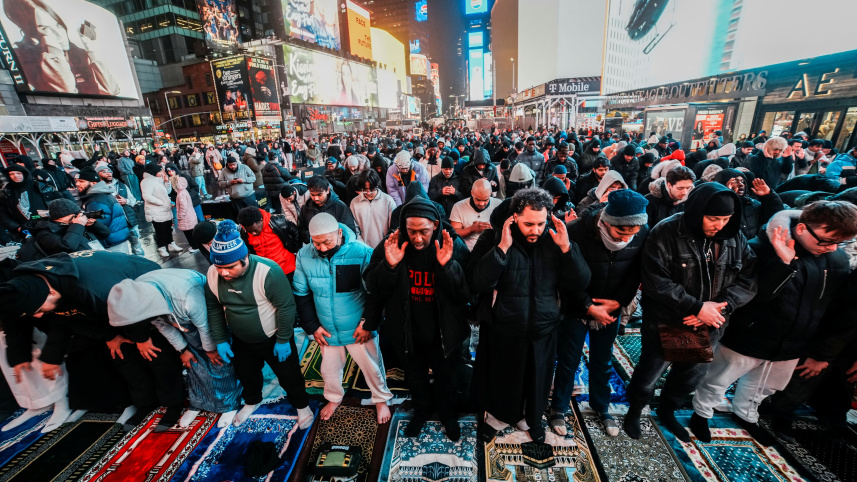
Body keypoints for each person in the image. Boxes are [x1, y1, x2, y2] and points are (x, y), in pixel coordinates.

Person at [690, 202, 857, 444]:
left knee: (766, 385)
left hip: (795, 340)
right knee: (719, 377)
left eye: (838, 243)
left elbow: (833, 308)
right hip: (750, 334)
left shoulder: (836, 258)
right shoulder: (762, 248)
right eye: (824, 241)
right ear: (801, 229)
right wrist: (783, 264)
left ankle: (746, 414)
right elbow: (752, 295)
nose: (831, 248)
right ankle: (702, 412)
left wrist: (821, 350)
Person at [624, 183, 758, 443]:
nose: (719, 225)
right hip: (669, 320)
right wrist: (696, 307)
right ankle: (635, 411)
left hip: (710, 323)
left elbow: (748, 280)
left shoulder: (734, 237)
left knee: (689, 375)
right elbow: (656, 281)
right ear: (697, 211)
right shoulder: (667, 231)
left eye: (726, 219)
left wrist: (719, 307)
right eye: (713, 218)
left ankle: (667, 410)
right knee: (649, 375)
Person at [469, 188, 590, 443]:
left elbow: (580, 282)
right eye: (528, 224)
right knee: (503, 376)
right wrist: (502, 249)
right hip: (503, 325)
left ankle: (531, 419)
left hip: (543, 327)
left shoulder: (556, 241)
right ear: (514, 218)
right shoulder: (493, 238)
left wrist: (567, 248)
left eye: (540, 223)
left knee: (537, 380)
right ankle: (499, 417)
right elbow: (477, 281)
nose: (535, 230)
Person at [363, 195, 471, 440]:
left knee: (447, 379)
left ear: (435, 224)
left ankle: (447, 415)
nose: (418, 238)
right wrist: (389, 266)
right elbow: (373, 287)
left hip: (445, 332)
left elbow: (466, 292)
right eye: (411, 231)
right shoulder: (391, 243)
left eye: (423, 231)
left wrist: (447, 266)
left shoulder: (451, 242)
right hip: (407, 331)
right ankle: (421, 412)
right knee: (416, 378)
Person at [551, 190, 649, 436]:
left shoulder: (642, 234)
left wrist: (617, 303)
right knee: (568, 360)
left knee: (602, 360)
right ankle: (559, 408)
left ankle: (601, 405)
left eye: (632, 233)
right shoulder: (576, 231)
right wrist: (588, 306)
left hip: (610, 309)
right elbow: (565, 275)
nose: (627, 237)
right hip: (577, 307)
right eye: (621, 232)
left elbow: (635, 274)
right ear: (606, 222)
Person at [204, 220, 314, 428]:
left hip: (273, 336)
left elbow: (287, 307)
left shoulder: (268, 271)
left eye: (229, 267)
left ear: (244, 258)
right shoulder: (212, 274)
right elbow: (214, 309)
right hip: (240, 338)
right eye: (219, 267)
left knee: (288, 374)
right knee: (246, 373)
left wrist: (282, 340)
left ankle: (302, 405)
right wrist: (220, 339)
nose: (224, 273)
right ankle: (252, 401)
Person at [107, 269, 243, 429]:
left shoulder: (187, 298)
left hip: (205, 316)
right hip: (180, 320)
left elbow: (204, 326)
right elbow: (163, 326)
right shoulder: (139, 299)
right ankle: (199, 402)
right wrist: (183, 350)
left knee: (218, 360)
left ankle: (229, 404)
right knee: (193, 362)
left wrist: (210, 350)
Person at [293, 214, 393, 423]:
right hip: (326, 328)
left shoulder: (362, 252)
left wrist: (368, 323)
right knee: (329, 370)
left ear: (339, 233)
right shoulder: (304, 255)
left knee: (372, 366)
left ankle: (381, 399)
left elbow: (375, 294)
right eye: (316, 243)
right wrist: (312, 327)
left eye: (327, 242)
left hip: (359, 327)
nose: (321, 248)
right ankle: (334, 398)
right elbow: (301, 293)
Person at [4, 0, 119, 96]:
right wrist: (52, 48)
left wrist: (90, 48)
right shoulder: (23, 57)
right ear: (33, 35)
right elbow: (66, 93)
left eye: (58, 26)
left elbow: (112, 91)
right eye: (45, 29)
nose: (58, 34)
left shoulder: (80, 54)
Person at [17, 198, 109, 261]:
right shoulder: (45, 232)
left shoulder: (74, 224)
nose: (77, 216)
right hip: (79, 268)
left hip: (98, 259)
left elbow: (105, 234)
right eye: (74, 214)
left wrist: (93, 224)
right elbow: (67, 246)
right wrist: (78, 224)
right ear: (61, 216)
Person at [713, 169, 783, 239]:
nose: (741, 184)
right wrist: (728, 198)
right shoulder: (716, 207)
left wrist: (768, 195)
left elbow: (776, 217)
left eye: (743, 181)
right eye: (735, 181)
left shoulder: (752, 204)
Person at [75, 167, 132, 254]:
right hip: (116, 240)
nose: (77, 184)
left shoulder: (96, 201)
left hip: (111, 244)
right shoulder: (102, 194)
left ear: (93, 183)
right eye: (77, 181)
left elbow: (100, 226)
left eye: (81, 181)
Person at [237, 206, 301, 280]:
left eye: (254, 230)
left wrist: (296, 249)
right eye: (249, 231)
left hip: (287, 268)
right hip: (265, 272)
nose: (253, 233)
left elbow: (296, 232)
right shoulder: (243, 231)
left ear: (261, 220)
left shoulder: (278, 221)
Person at [298, 176, 357, 244]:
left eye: (319, 194)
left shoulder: (341, 207)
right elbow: (301, 230)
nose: (316, 198)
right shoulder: (306, 208)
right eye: (312, 195)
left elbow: (349, 232)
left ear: (328, 190)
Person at [141, 164, 181, 258]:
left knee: (168, 228)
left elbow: (166, 192)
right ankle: (161, 247)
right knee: (160, 230)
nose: (161, 173)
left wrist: (167, 182)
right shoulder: (146, 182)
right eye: (159, 171)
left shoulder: (158, 179)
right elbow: (146, 196)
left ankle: (171, 244)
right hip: (156, 211)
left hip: (165, 210)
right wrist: (161, 203)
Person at [0, 164, 49, 241]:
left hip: (49, 226)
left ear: (24, 173)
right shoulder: (6, 192)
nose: (15, 176)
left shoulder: (41, 186)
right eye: (11, 174)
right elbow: (2, 214)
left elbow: (60, 204)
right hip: (25, 230)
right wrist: (17, 228)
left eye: (18, 173)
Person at [449, 179, 501, 251]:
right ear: (472, 193)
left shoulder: (498, 205)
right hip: (467, 252)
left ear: (490, 194)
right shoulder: (458, 206)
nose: (482, 204)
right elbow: (454, 234)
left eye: (485, 200)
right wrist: (472, 229)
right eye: (478, 199)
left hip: (492, 252)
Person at [350, 170, 396, 249]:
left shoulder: (388, 200)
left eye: (371, 189)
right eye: (365, 189)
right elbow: (355, 229)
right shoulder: (354, 203)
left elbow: (393, 228)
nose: (368, 192)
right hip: (364, 248)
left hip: (385, 246)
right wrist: (362, 246)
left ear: (377, 185)